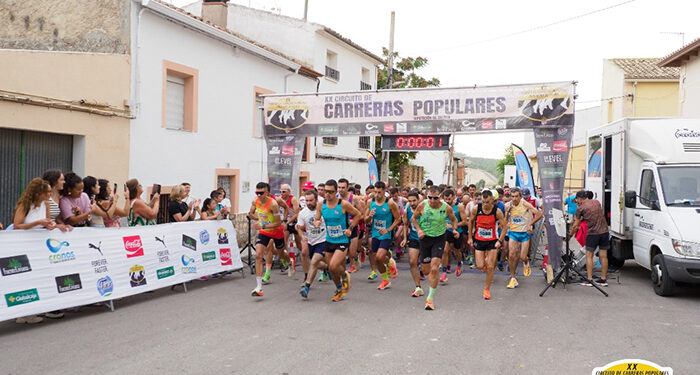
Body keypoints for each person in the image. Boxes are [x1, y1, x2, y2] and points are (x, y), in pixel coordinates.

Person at [411, 186, 461, 310]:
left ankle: (430, 299)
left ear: (440, 197)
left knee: (434, 269)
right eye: (430, 197)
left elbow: (454, 220)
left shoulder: (446, 208)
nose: (433, 200)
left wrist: (454, 230)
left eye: (436, 198)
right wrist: (419, 230)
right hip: (425, 239)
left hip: (439, 238)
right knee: (426, 270)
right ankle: (433, 270)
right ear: (427, 196)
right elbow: (414, 218)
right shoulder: (422, 205)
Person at [314, 179, 362, 302]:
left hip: (342, 240)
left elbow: (358, 214)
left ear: (336, 192)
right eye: (325, 191)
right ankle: (339, 289)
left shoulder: (343, 204)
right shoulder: (321, 204)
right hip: (329, 239)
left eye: (330, 192)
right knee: (331, 268)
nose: (327, 194)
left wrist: (350, 228)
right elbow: (317, 218)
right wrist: (317, 222)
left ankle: (344, 275)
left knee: (334, 265)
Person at [468, 190, 507, 300]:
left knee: (490, 266)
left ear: (493, 201)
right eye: (483, 202)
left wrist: (499, 241)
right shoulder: (476, 209)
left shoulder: (497, 211)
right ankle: (485, 259)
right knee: (480, 266)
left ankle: (487, 289)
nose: (485, 205)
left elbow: (504, 227)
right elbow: (470, 222)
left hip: (492, 240)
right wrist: (470, 237)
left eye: (487, 202)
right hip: (479, 240)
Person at [248, 182, 286, 296]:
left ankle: (289, 261)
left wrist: (263, 224)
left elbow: (278, 223)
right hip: (264, 232)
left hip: (276, 231)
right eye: (257, 193)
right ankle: (259, 287)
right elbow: (251, 213)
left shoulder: (273, 204)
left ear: (267, 193)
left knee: (281, 253)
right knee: (259, 255)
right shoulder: (255, 201)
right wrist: (259, 220)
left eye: (261, 193)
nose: (258, 195)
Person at [365, 181, 401, 290]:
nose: (376, 195)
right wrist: (369, 216)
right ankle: (389, 267)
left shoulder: (390, 203)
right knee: (377, 258)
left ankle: (385, 280)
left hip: (386, 234)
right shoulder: (370, 202)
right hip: (375, 233)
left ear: (384, 191)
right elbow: (365, 220)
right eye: (375, 192)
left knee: (379, 257)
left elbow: (398, 218)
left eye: (379, 192)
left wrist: (388, 229)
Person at [505, 188, 543, 289]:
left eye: (516, 196)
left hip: (525, 233)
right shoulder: (508, 205)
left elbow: (539, 214)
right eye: (512, 196)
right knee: (512, 254)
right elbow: (504, 219)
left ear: (520, 196)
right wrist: (506, 216)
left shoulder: (525, 204)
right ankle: (513, 278)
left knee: (522, 256)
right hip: (513, 233)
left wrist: (530, 224)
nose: (514, 199)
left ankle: (526, 262)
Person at [569, 190, 609, 287]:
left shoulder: (581, 208)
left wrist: (569, 236)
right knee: (603, 256)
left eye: (577, 200)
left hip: (593, 233)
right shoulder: (597, 202)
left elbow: (575, 226)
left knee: (589, 255)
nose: (577, 202)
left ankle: (589, 279)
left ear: (580, 199)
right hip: (604, 232)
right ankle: (603, 279)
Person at [297, 190, 326, 298]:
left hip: (323, 240)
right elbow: (299, 228)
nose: (308, 203)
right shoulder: (302, 213)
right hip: (311, 241)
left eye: (311, 200)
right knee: (317, 263)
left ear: (316, 200)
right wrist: (302, 236)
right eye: (307, 201)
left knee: (314, 262)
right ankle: (327, 268)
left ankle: (306, 287)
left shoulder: (324, 210)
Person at [441, 189, 467, 282]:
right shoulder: (443, 206)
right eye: (445, 199)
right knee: (445, 250)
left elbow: (464, 221)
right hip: (446, 231)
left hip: (457, 231)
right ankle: (444, 271)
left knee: (457, 251)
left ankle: (459, 263)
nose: (447, 201)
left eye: (449, 199)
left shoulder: (459, 207)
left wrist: (453, 226)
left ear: (453, 197)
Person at [338, 178, 364, 273]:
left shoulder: (354, 198)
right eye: (339, 187)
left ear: (347, 187)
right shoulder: (336, 198)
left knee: (352, 252)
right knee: (343, 251)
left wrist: (353, 220)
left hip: (352, 227)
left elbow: (362, 213)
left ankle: (356, 258)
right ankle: (349, 266)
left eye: (343, 187)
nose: (341, 190)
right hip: (341, 228)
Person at [402, 191, 424, 297]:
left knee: (425, 268)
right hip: (414, 238)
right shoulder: (407, 211)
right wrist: (405, 238)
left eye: (414, 201)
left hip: (426, 240)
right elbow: (405, 225)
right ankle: (418, 287)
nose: (412, 203)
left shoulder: (424, 210)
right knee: (412, 262)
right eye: (409, 201)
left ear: (418, 200)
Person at [279, 183, 301, 276]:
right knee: (283, 243)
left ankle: (306, 255)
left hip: (294, 222)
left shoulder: (293, 199)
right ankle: (287, 262)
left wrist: (287, 222)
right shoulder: (280, 199)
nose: (282, 193)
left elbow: (297, 213)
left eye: (284, 192)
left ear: (288, 192)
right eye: (281, 191)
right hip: (286, 223)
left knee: (299, 243)